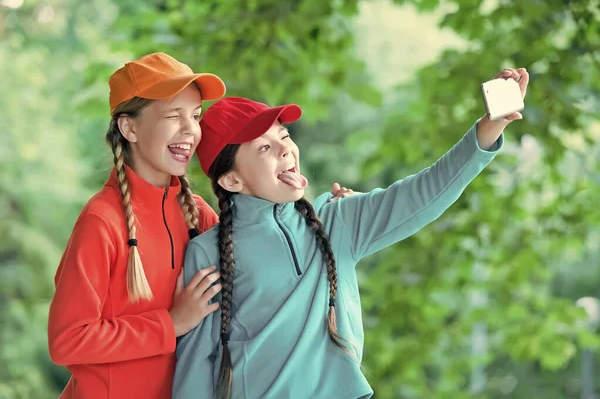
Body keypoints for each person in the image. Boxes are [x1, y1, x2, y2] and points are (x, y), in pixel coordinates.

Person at [172, 68, 529, 399]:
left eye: (283, 136)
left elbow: (422, 193)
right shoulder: (207, 252)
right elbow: (195, 364)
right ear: (232, 180)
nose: (285, 149)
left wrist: (487, 130)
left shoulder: (337, 219)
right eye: (264, 148)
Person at [47, 51, 358, 399]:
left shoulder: (198, 215)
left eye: (195, 116)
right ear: (129, 127)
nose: (190, 131)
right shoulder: (102, 222)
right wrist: (172, 323)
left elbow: (267, 264)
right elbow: (67, 341)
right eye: (172, 116)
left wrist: (333, 215)